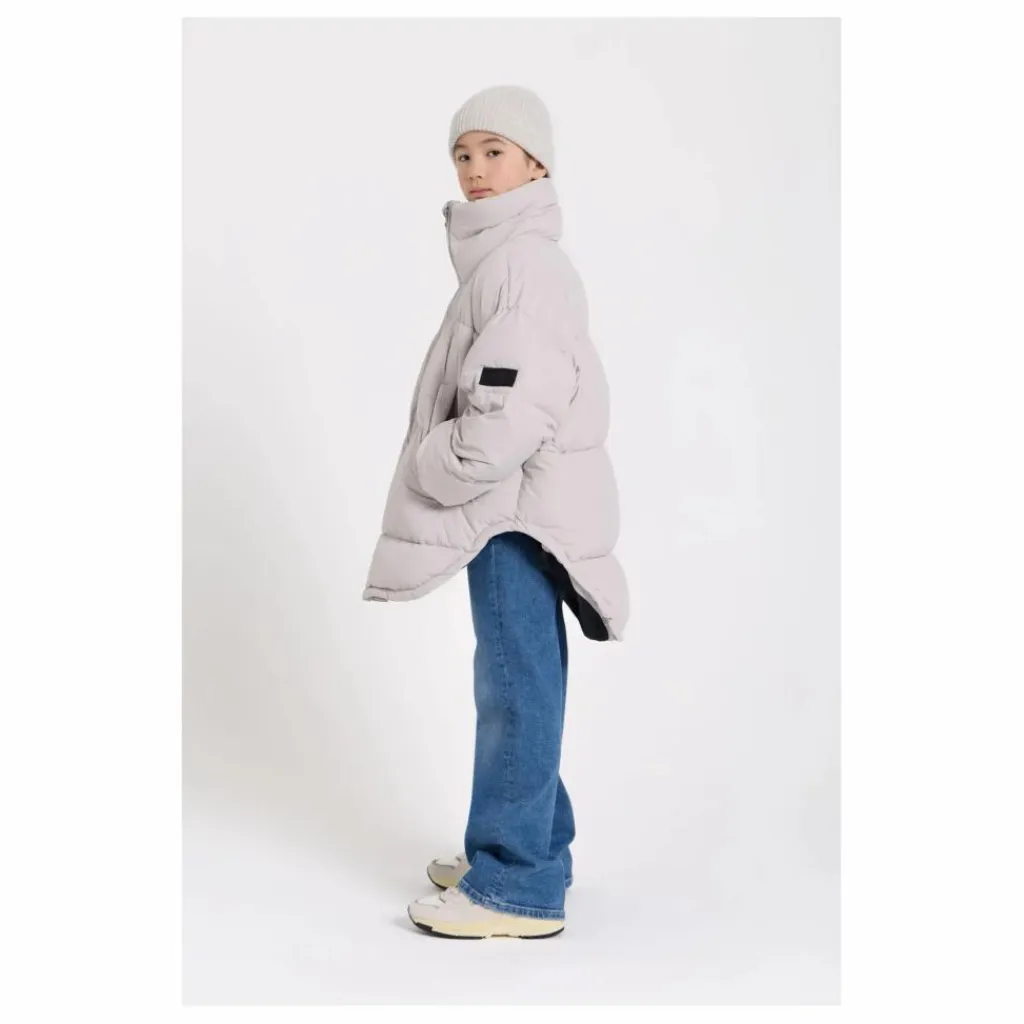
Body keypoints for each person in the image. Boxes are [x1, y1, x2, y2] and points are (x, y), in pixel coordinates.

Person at [362, 84, 629, 938]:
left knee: (515, 684)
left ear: (536, 164)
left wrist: (429, 460)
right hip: (519, 506)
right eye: (463, 154)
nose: (475, 170)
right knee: (521, 678)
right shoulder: (511, 259)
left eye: (495, 152)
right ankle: (533, 845)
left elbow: (504, 422)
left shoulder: (522, 267)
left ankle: (515, 884)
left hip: (513, 510)